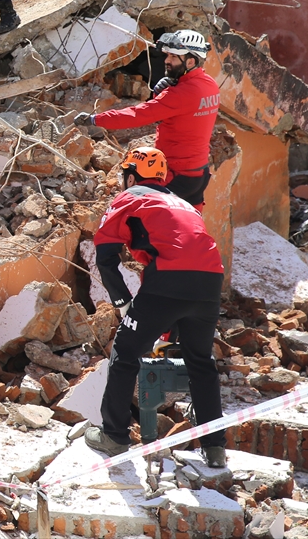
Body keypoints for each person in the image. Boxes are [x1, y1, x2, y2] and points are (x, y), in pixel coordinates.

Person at [83, 147, 226, 468]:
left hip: (169, 280)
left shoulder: (130, 196)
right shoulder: (184, 204)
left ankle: (114, 436)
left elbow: (105, 256)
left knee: (124, 352)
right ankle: (215, 447)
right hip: (211, 278)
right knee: (201, 362)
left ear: (131, 176)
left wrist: (122, 302)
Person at [75, 30, 219, 208]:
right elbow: (183, 115)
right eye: (167, 55)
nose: (166, 61)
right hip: (199, 174)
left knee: (142, 216)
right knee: (190, 229)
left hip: (176, 175)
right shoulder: (210, 85)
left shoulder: (179, 94)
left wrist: (95, 120)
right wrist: (163, 93)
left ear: (190, 61)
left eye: (173, 57)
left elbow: (137, 115)